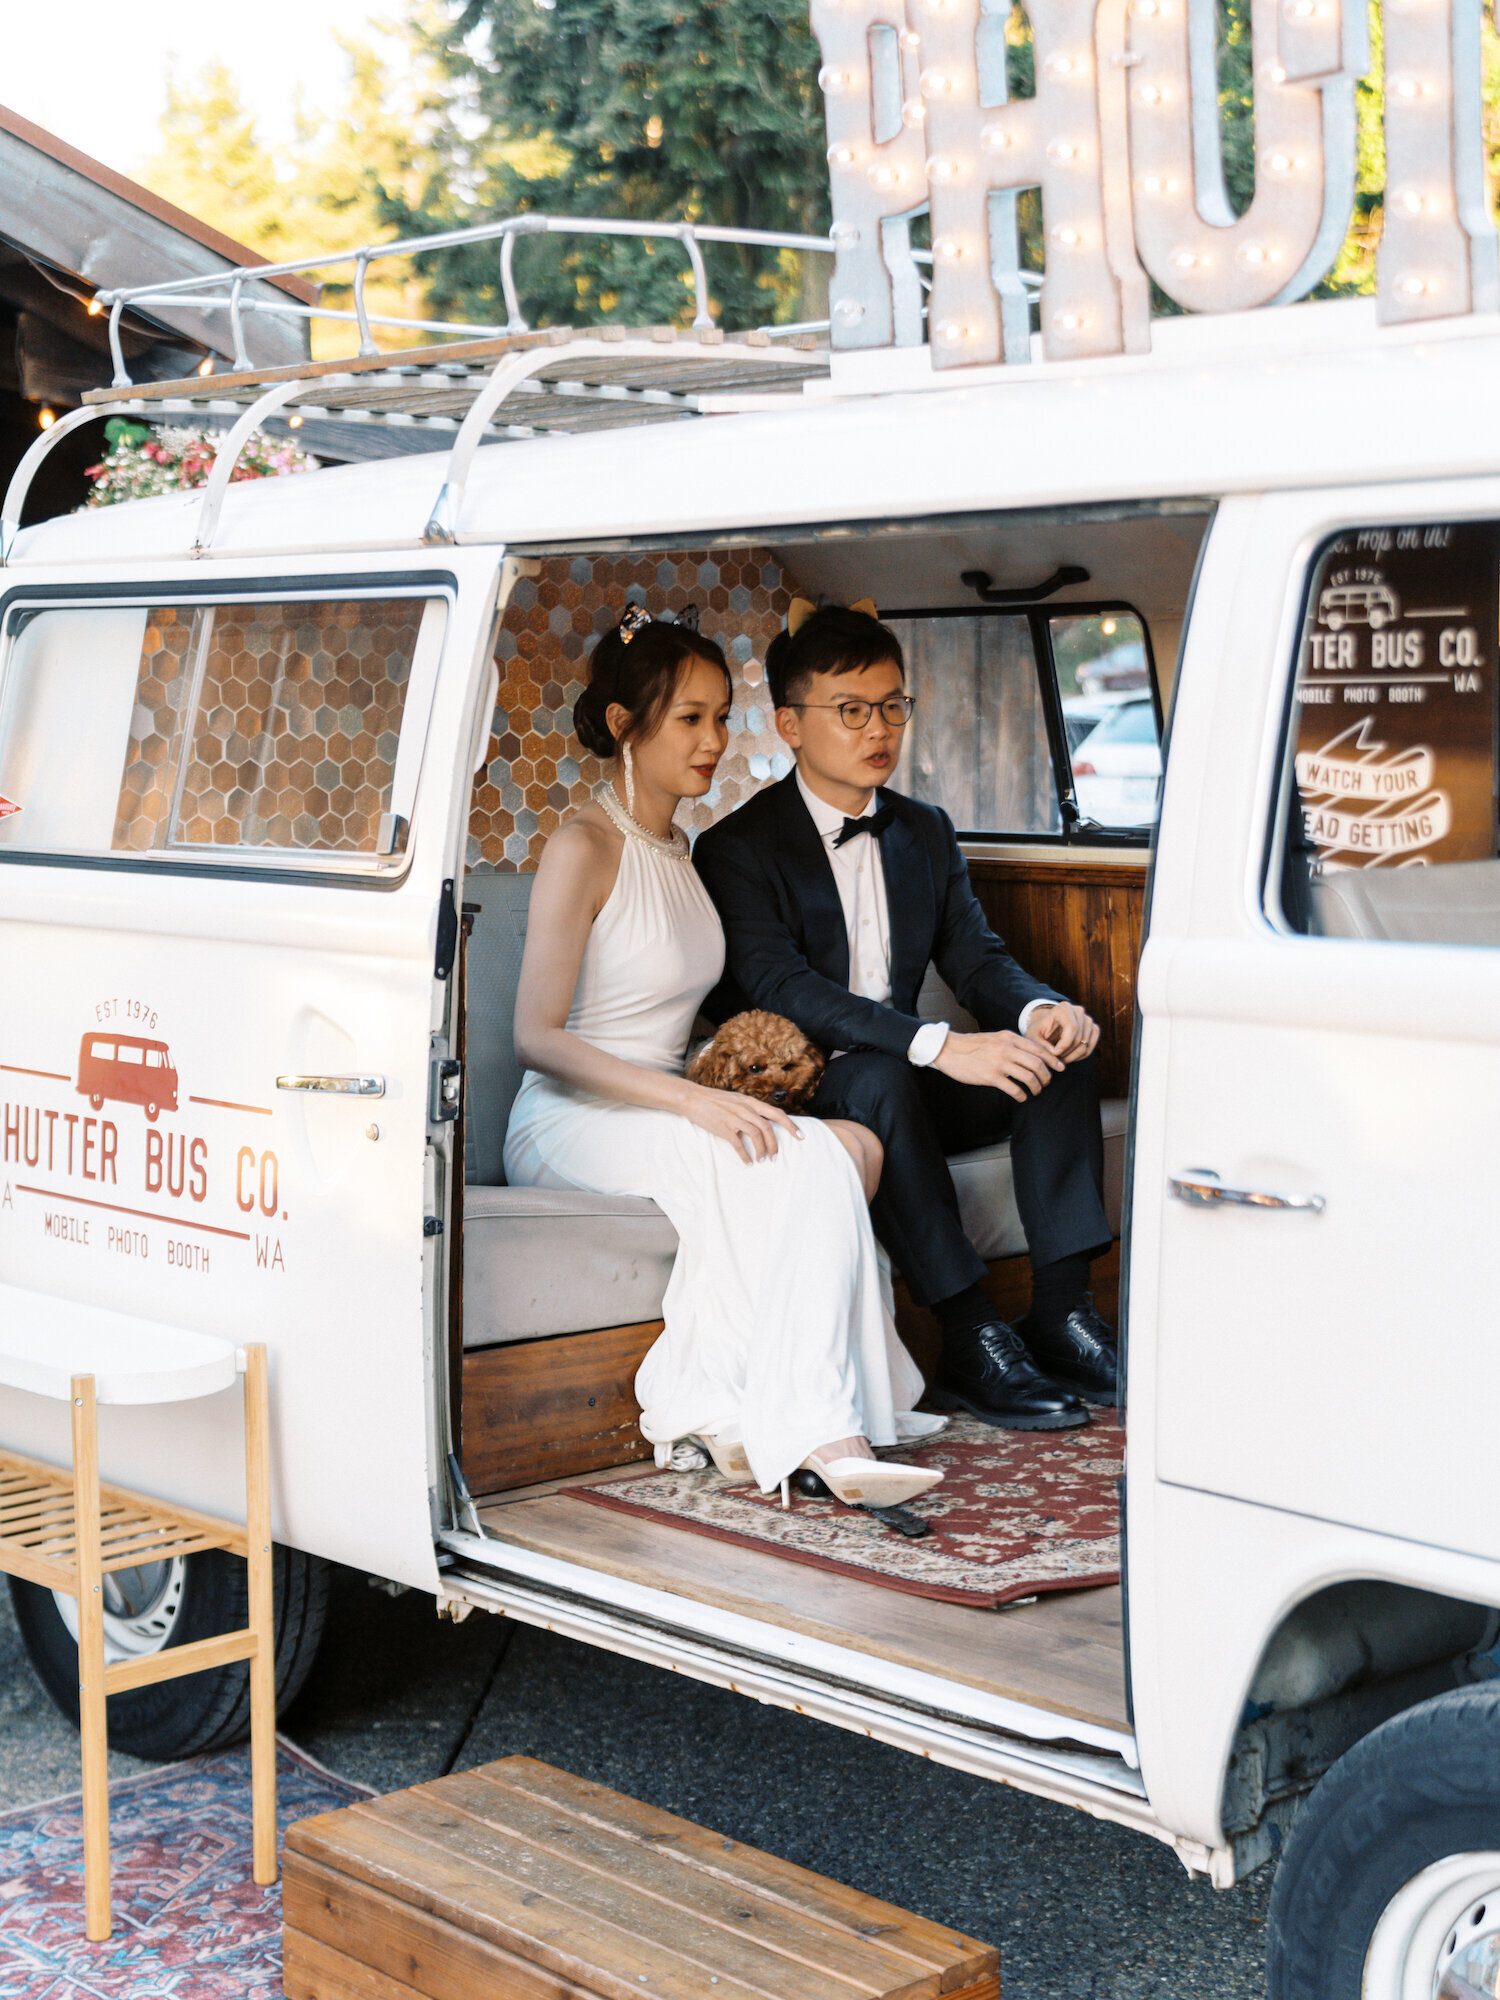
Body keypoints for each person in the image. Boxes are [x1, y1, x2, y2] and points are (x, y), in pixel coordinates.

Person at [503, 605, 944, 1509]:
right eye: (691, 720)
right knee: (799, 1152)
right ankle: (828, 1427)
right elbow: (536, 1037)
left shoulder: (686, 849)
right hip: (567, 1117)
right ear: (626, 727)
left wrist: (721, 1076)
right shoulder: (584, 845)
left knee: (844, 1145)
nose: (716, 740)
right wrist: (690, 1104)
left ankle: (742, 1408)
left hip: (664, 1101)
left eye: (721, 716)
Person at [693, 602, 1118, 1429]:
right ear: (790, 723)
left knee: (1061, 1052)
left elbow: (974, 954)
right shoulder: (738, 847)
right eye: (851, 710)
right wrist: (940, 1044)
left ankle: (1063, 1313)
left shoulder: (923, 830)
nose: (878, 728)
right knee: (885, 1075)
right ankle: (967, 1333)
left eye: (893, 706)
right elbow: (783, 987)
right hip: (813, 1082)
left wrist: (1037, 1010)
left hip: (909, 1071)